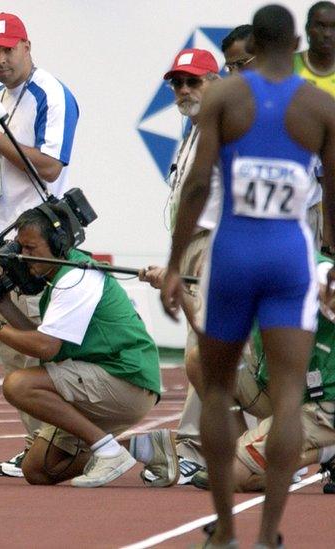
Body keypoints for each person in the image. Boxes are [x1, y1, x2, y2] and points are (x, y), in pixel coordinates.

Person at [161, 6, 335, 547]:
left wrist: (172, 264)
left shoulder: (224, 98)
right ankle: (268, 534)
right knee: (287, 397)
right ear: (300, 41)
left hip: (234, 252)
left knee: (215, 391)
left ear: (254, 46)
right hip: (289, 255)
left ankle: (226, 532)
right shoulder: (319, 105)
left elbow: (194, 188)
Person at [0, 204, 174, 488]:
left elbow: (46, 348)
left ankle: (107, 450)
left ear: (59, 244)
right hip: (103, 375)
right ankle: (144, 448)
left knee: (19, 385)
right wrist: (3, 307)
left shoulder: (76, 278)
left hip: (126, 379)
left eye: (31, 248)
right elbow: (42, 338)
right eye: (20, 247)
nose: (24, 256)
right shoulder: (61, 276)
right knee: (38, 469)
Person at [0, 11, 79, 478]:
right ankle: (37, 444)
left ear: (27, 46)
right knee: (10, 349)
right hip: (2, 242)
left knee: (38, 345)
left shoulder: (49, 92)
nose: (0, 59)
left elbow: (50, 166)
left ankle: (62, 446)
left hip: (38, 245)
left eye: (8, 49)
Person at [139, 48, 222, 485]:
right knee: (199, 343)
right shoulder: (193, 130)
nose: (184, 90)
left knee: (204, 346)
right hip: (190, 246)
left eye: (194, 81)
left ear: (216, 82)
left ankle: (195, 444)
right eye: (178, 83)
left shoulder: (223, 131)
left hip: (213, 244)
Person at [189, 252, 335, 493]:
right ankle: (253, 449)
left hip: (322, 402)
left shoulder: (315, 270)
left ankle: (322, 450)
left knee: (227, 475)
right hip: (280, 389)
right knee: (202, 360)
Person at [296, 2, 335, 250]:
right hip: (300, 196)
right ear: (308, 28)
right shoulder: (288, 68)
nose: (328, 33)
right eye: (321, 26)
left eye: (334, 27)